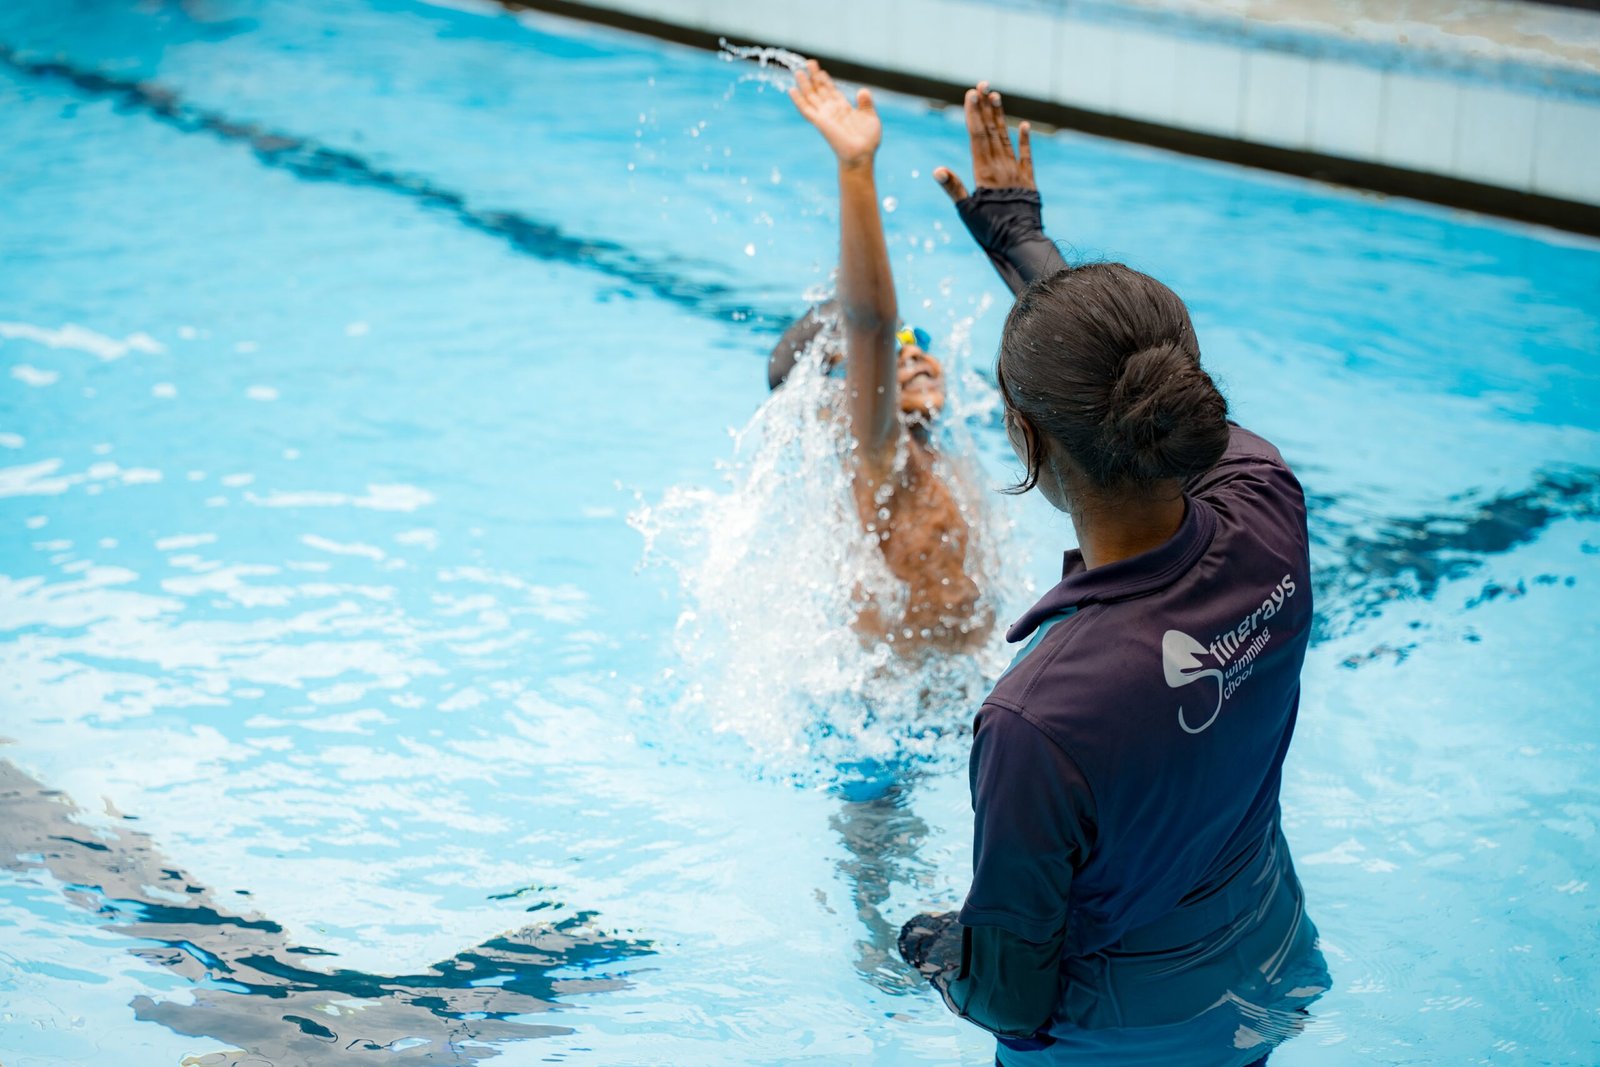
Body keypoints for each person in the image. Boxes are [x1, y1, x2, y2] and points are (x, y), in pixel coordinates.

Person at [898, 86, 1328, 1065]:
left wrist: (939, 953)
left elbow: (1012, 995)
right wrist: (1025, 248)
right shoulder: (1267, 503)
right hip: (1260, 958)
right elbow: (1158, 397)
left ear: (1026, 436)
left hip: (1119, 1041)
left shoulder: (1038, 717)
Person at [777, 60, 995, 654]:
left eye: (915, 341)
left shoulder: (939, 456)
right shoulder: (880, 462)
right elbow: (871, 324)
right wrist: (856, 170)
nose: (908, 356)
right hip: (915, 711)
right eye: (875, 364)